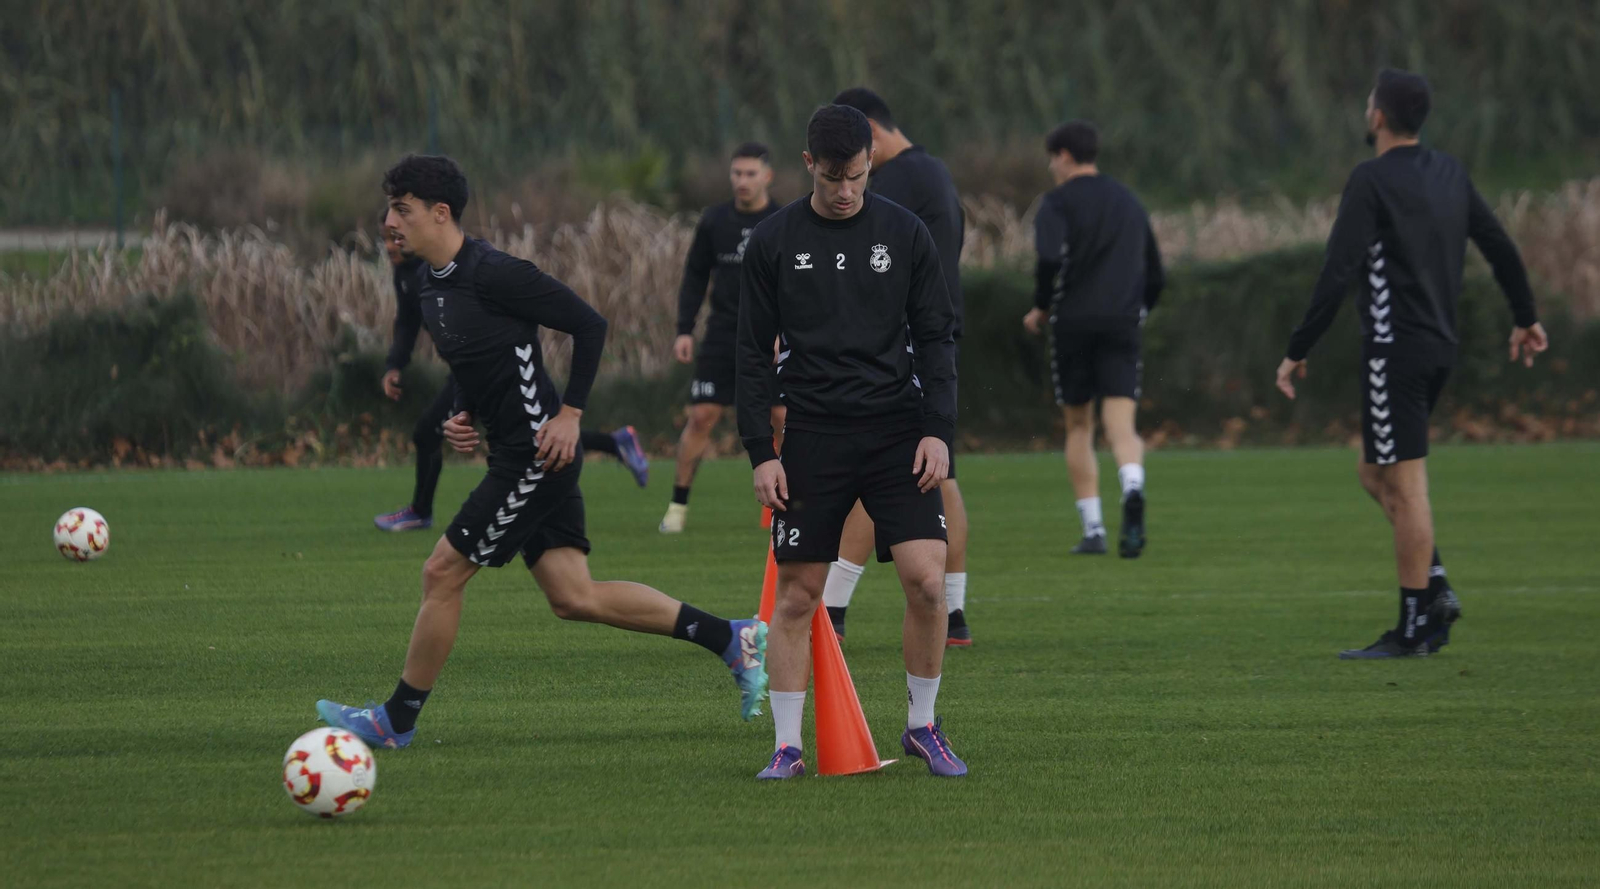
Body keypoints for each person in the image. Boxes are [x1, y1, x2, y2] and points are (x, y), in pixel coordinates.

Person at [320, 155, 768, 748]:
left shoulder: (495, 273)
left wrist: (570, 414)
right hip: (513, 451)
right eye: (390, 209)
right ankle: (731, 639)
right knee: (573, 596)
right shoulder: (431, 285)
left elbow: (590, 325)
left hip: (535, 456)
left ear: (440, 213)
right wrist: (462, 415)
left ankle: (395, 719)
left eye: (401, 210)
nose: (390, 222)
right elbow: (474, 364)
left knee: (442, 572)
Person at [1275, 69, 1548, 659]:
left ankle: (1411, 629)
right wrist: (1525, 314)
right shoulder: (1449, 171)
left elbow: (1338, 270)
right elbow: (1498, 242)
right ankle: (1436, 591)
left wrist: (1298, 348)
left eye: (1369, 103)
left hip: (1395, 350)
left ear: (1377, 116)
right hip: (1438, 348)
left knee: (1406, 483)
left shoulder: (1371, 180)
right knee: (1374, 475)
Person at [738, 105, 965, 779]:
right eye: (834, 177)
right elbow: (750, 355)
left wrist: (938, 430)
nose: (845, 191)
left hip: (898, 430)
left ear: (872, 162)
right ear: (809, 164)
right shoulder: (775, 242)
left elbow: (937, 336)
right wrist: (760, 451)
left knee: (928, 582)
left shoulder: (906, 232)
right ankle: (787, 745)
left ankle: (923, 726)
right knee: (799, 595)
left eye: (858, 177)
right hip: (813, 435)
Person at [373, 223, 652, 534]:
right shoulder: (410, 277)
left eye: (396, 230)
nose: (389, 245)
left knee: (435, 436)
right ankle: (614, 443)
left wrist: (571, 412)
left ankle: (420, 512)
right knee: (532, 435)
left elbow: (590, 324)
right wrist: (396, 364)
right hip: (465, 372)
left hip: (488, 368)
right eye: (384, 237)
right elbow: (407, 323)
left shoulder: (475, 268)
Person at [821, 87, 974, 646]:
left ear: (869, 132)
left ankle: (831, 606)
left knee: (877, 467)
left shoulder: (900, 182)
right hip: (936, 340)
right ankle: (954, 613)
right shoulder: (936, 174)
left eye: (853, 159)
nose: (849, 178)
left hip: (904, 346)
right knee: (940, 474)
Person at [1022, 120, 1164, 558]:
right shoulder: (1128, 201)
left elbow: (1048, 258)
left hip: (1073, 323)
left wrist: (1041, 306)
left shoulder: (1056, 203)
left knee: (1079, 424)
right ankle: (1133, 486)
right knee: (1121, 423)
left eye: (1052, 158)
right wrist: (1139, 310)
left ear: (1064, 155)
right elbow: (1156, 272)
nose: (1051, 168)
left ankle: (1094, 529)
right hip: (1122, 321)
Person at [659, 143, 785, 533]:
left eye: (750, 174)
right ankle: (677, 509)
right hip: (722, 333)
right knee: (702, 415)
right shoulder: (714, 221)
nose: (742, 181)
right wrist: (683, 329)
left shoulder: (784, 220)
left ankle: (782, 505)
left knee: (782, 417)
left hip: (772, 335)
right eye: (737, 173)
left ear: (767, 176)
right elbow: (695, 277)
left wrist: (787, 330)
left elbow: (797, 283)